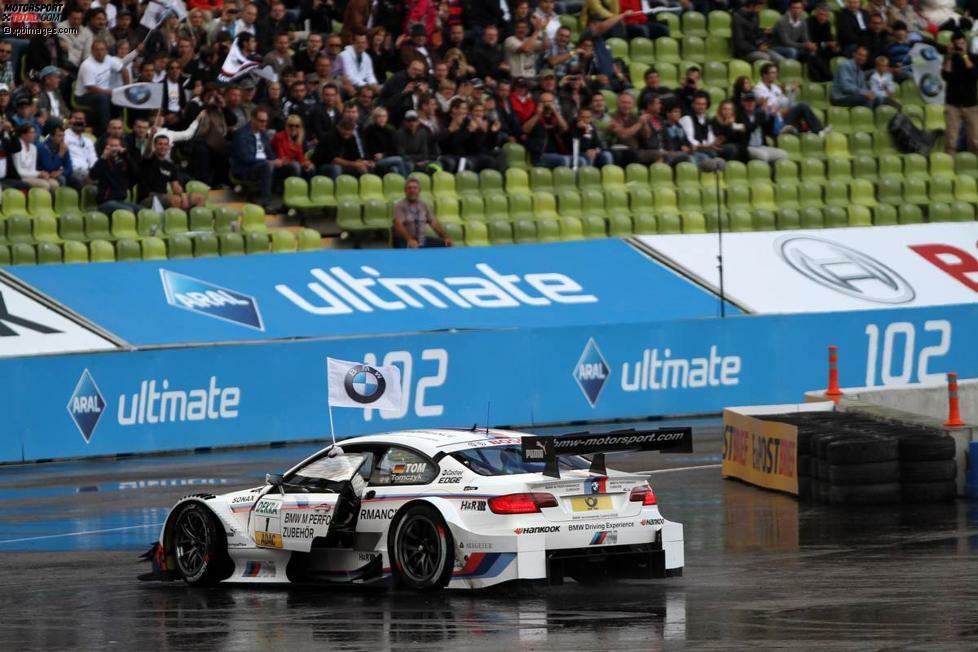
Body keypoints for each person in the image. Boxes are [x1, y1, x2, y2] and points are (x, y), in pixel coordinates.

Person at [229, 108, 290, 209]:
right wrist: (269, 162)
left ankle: (287, 203)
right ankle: (266, 203)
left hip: (265, 165)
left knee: (293, 166)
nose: (264, 124)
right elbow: (246, 158)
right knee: (267, 166)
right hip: (247, 169)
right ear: (253, 119)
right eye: (261, 121)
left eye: (266, 121)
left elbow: (270, 154)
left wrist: (279, 161)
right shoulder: (241, 134)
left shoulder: (263, 134)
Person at [754, 63, 827, 135]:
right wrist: (780, 101)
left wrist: (791, 92)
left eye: (776, 73)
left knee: (802, 105)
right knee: (801, 106)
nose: (775, 75)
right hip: (770, 122)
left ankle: (818, 130)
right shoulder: (758, 89)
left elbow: (788, 105)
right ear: (764, 75)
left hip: (781, 119)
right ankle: (788, 129)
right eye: (773, 73)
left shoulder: (775, 88)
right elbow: (771, 106)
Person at [140, 134, 207, 210]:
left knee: (199, 198)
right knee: (176, 200)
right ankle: (178, 220)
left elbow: (175, 186)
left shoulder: (170, 166)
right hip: (148, 197)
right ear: (154, 146)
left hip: (164, 196)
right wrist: (151, 136)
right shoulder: (148, 160)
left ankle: (192, 220)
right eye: (160, 144)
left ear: (169, 147)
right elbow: (147, 152)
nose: (163, 147)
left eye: (165, 144)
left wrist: (183, 195)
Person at [524, 90, 584, 168]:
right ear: (539, 103)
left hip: (558, 153)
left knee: (581, 161)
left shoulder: (555, 118)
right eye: (544, 102)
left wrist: (555, 111)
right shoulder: (534, 116)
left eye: (549, 102)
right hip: (541, 155)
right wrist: (538, 114)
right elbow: (525, 129)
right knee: (564, 160)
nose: (547, 104)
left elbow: (565, 128)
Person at [942, 32, 978, 155]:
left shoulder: (973, 57)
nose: (960, 46)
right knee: (950, 140)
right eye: (957, 44)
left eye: (962, 43)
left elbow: (974, 74)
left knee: (975, 140)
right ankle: (948, 167)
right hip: (953, 104)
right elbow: (946, 76)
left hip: (971, 104)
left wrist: (965, 56)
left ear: (966, 44)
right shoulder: (949, 59)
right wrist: (949, 56)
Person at [392, 177, 453, 248]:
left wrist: (445, 237)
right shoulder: (399, 206)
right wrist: (410, 240)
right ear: (405, 191)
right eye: (409, 188)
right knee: (410, 251)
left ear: (419, 190)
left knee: (445, 244)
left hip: (421, 239)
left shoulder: (424, 205)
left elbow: (434, 223)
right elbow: (398, 225)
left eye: (415, 188)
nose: (412, 190)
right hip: (404, 240)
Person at [90, 134, 142, 214]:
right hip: (106, 202)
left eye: (116, 146)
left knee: (142, 211)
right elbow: (93, 175)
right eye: (111, 146)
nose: (114, 148)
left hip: (121, 201)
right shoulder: (102, 162)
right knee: (128, 211)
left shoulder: (123, 161)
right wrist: (104, 157)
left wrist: (126, 155)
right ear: (106, 147)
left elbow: (136, 174)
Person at [679, 92, 728, 169]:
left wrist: (714, 143)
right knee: (710, 155)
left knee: (726, 151)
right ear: (692, 105)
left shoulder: (706, 119)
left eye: (703, 104)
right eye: (698, 104)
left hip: (706, 149)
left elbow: (710, 138)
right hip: (693, 150)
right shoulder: (687, 118)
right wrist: (706, 146)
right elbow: (690, 140)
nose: (701, 107)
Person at [737, 92, 789, 162]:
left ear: (755, 102)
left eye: (752, 101)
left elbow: (768, 130)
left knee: (783, 154)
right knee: (763, 156)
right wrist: (760, 116)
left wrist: (772, 116)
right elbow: (750, 128)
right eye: (747, 101)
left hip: (761, 146)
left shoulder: (758, 115)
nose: (750, 103)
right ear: (743, 103)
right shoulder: (739, 115)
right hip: (748, 147)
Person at [8, 124, 60, 191]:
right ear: (23, 135)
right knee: (44, 185)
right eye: (32, 132)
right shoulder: (16, 146)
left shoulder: (33, 148)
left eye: (34, 132)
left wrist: (42, 174)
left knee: (54, 184)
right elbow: (18, 171)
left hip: (31, 175)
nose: (34, 135)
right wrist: (38, 174)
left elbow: (32, 169)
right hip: (20, 177)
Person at [364, 107, 410, 176]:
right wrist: (369, 160)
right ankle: (407, 183)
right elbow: (366, 148)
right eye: (379, 116)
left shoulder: (391, 131)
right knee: (399, 160)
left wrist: (384, 155)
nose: (382, 119)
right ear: (374, 118)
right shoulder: (368, 131)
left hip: (388, 158)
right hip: (375, 161)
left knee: (397, 169)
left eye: (384, 116)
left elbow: (395, 150)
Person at [65, 111, 98, 188]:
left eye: (81, 119)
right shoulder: (63, 137)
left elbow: (93, 161)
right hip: (72, 171)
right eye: (76, 118)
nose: (79, 121)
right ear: (69, 121)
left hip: (87, 172)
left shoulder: (88, 141)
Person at [808, 3, 839, 82]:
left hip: (821, 47)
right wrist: (826, 43)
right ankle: (828, 76)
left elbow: (829, 38)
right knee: (814, 54)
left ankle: (829, 76)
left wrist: (834, 46)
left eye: (826, 15)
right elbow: (810, 40)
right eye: (821, 14)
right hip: (809, 47)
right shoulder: (809, 22)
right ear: (816, 13)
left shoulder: (827, 24)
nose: (823, 17)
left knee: (836, 52)